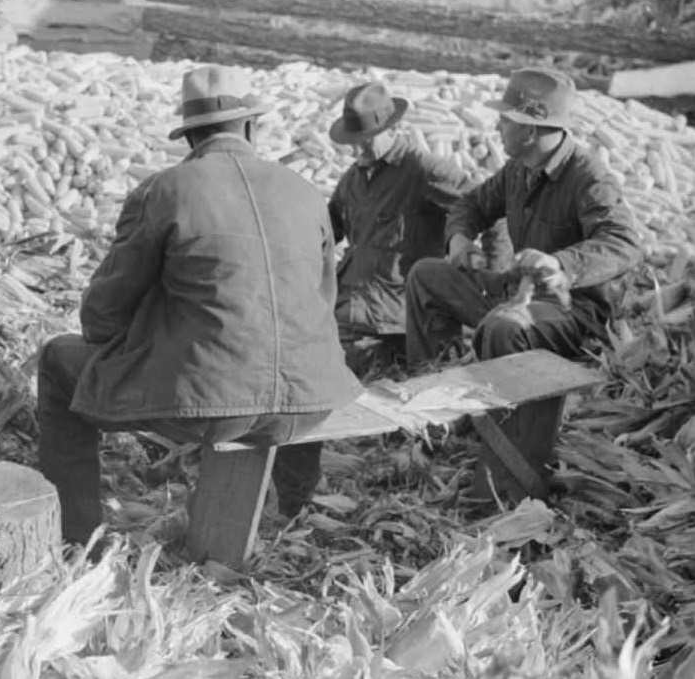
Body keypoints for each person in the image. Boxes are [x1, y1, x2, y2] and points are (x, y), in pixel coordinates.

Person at [37, 65, 361, 540]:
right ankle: (291, 509)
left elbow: (101, 318)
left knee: (57, 361)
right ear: (251, 126)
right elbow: (320, 302)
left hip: (216, 408)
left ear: (189, 137)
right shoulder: (305, 192)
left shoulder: (164, 191)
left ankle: (76, 537)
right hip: (311, 403)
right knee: (295, 353)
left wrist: (149, 340)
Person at [404, 66, 642, 367]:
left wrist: (561, 264)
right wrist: (460, 239)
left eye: (505, 120)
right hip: (518, 292)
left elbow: (624, 244)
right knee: (426, 276)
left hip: (572, 311)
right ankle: (432, 382)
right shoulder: (519, 169)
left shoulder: (589, 178)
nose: (496, 127)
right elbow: (471, 204)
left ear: (529, 131)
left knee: (503, 327)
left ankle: (500, 411)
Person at [327, 81, 509, 373]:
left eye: (368, 138)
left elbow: (490, 214)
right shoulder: (353, 179)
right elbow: (324, 233)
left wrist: (495, 287)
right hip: (349, 316)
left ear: (394, 129)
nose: (359, 147)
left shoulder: (423, 169)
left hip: (399, 324)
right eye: (355, 139)